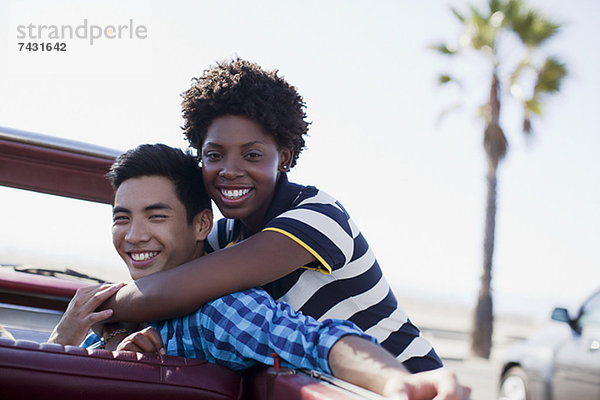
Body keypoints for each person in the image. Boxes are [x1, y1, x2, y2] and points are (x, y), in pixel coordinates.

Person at [49, 144, 469, 399]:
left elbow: (315, 341)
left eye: (156, 217)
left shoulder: (224, 308)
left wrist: (396, 381)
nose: (135, 235)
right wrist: (65, 340)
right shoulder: (122, 314)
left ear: (200, 225)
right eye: (122, 219)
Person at [102, 58, 441, 373]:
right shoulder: (224, 236)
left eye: (252, 155)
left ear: (285, 158)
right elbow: (171, 296)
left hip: (405, 380)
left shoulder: (318, 216)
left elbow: (166, 293)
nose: (230, 171)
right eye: (214, 155)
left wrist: (99, 305)